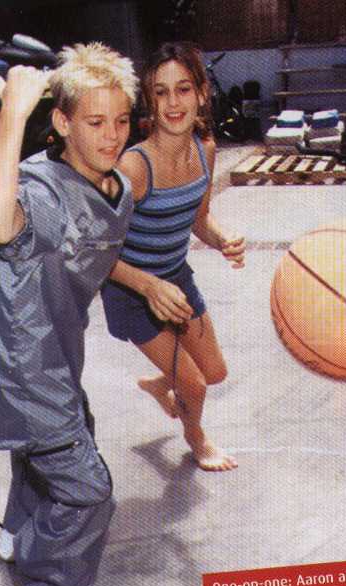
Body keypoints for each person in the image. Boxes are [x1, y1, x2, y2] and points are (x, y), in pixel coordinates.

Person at [0, 43, 138, 586]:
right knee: (88, 489)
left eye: (121, 120)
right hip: (23, 362)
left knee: (55, 445)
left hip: (53, 348)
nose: (111, 135)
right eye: (95, 122)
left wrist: (148, 284)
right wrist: (13, 115)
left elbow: (90, 251)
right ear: (61, 122)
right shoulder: (40, 189)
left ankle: (21, 536)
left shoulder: (112, 184)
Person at [101, 42, 246, 472]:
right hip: (130, 291)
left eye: (183, 89)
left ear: (202, 92)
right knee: (196, 387)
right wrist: (148, 286)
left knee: (214, 372)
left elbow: (199, 219)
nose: (173, 103)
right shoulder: (134, 168)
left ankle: (159, 384)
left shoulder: (206, 150)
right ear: (149, 100)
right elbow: (95, 252)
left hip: (175, 280)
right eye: (160, 92)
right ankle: (196, 438)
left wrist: (222, 239)